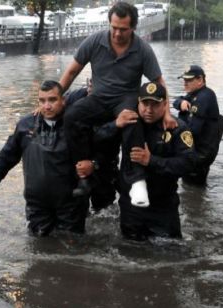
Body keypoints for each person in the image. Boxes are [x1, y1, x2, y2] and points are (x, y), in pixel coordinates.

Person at [59, 1, 175, 208]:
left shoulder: (142, 49)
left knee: (132, 121)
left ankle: (137, 180)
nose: (117, 33)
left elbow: (159, 83)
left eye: (123, 29)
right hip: (98, 97)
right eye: (114, 28)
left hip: (125, 98)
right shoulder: (95, 41)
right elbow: (71, 72)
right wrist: (56, 97)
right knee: (71, 116)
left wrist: (167, 113)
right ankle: (83, 173)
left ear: (133, 28)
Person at [0, 80, 89, 236]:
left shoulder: (76, 124)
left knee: (72, 246)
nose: (47, 106)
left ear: (63, 101)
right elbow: (8, 154)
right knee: (38, 244)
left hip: (70, 201)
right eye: (42, 101)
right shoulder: (26, 125)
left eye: (52, 100)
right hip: (37, 202)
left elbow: (98, 149)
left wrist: (93, 164)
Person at [118, 82, 196, 240]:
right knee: (129, 249)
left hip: (163, 205)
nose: (148, 110)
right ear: (138, 102)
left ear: (165, 105)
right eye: (145, 103)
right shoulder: (127, 123)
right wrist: (114, 125)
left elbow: (189, 164)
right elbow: (99, 138)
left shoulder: (177, 128)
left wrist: (151, 160)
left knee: (170, 251)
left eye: (155, 104)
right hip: (131, 205)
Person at [64, 79, 119, 212]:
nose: (90, 90)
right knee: (77, 207)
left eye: (96, 87)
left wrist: (95, 163)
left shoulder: (115, 103)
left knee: (104, 209)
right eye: (90, 84)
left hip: (104, 160)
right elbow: (55, 104)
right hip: (79, 161)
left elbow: (114, 142)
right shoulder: (75, 97)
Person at [173, 65, 223, 185]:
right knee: (191, 187)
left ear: (200, 80)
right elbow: (176, 100)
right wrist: (181, 102)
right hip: (197, 151)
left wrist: (173, 127)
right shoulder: (196, 93)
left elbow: (192, 130)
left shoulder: (204, 97)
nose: (185, 83)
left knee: (193, 188)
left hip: (199, 154)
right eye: (184, 80)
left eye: (189, 80)